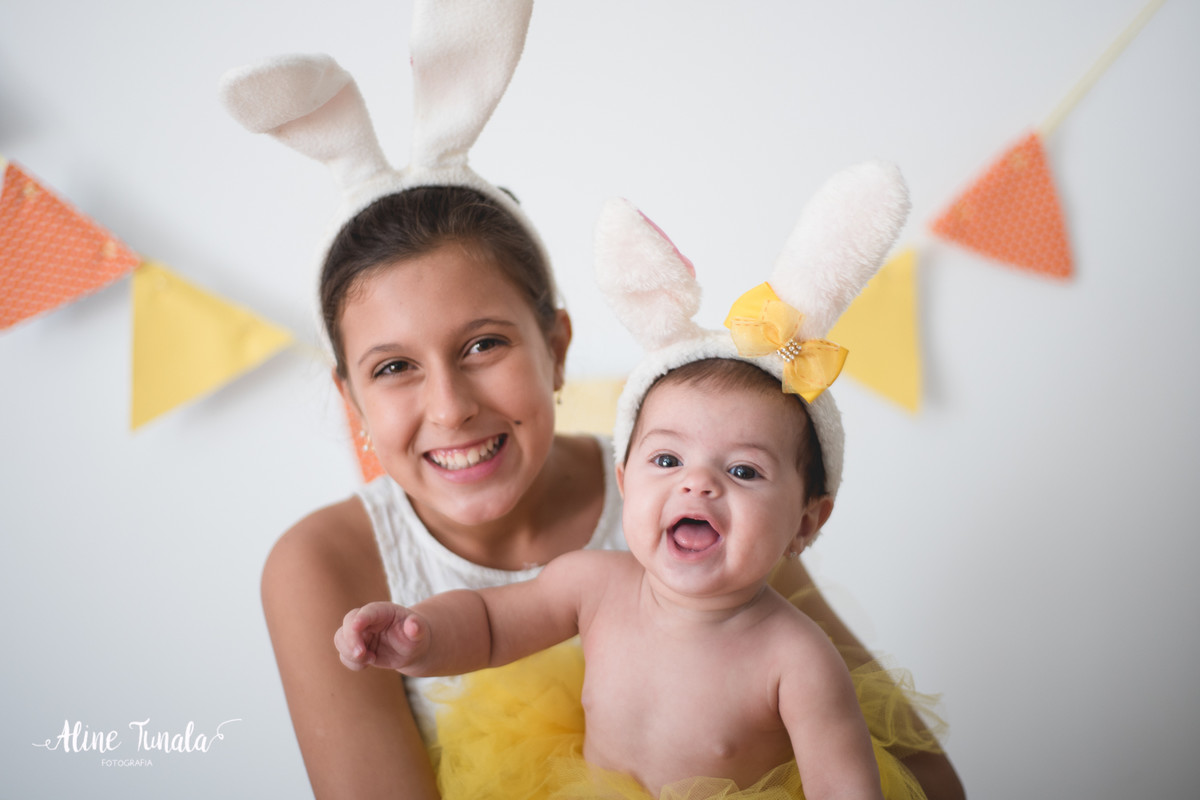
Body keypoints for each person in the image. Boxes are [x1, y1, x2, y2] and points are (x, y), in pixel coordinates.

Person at [220, 2, 964, 797]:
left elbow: (920, 772)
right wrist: (412, 635)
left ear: (558, 347)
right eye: (394, 367)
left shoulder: (693, 493)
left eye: (483, 345)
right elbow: (484, 628)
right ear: (352, 397)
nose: (449, 408)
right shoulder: (324, 567)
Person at [337, 355, 899, 799]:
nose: (697, 484)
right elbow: (488, 624)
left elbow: (842, 789)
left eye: (743, 470)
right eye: (666, 460)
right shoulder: (593, 586)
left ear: (806, 522)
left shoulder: (797, 658)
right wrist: (421, 635)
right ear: (625, 482)